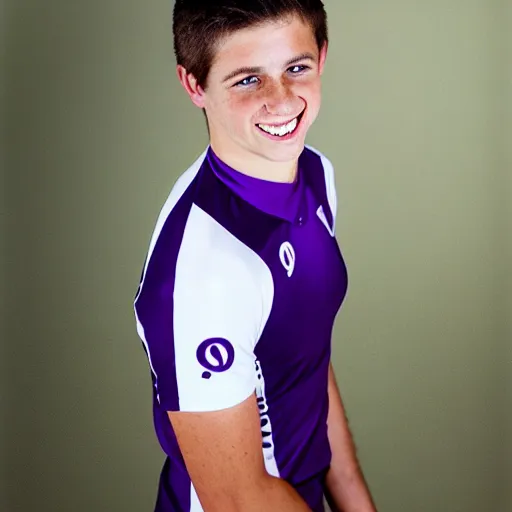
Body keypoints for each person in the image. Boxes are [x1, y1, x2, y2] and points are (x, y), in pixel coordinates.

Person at [133, 1, 377, 511]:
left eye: (296, 67)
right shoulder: (204, 273)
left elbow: (306, 359)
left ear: (322, 57)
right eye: (248, 80)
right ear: (194, 85)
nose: (282, 100)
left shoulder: (313, 173)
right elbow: (239, 500)